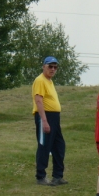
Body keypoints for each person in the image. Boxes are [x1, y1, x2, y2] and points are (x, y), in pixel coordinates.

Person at [32, 56, 68, 186]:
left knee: (59, 145)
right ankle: (40, 176)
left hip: (54, 117)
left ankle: (57, 176)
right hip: (45, 116)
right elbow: (38, 100)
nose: (53, 69)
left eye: (55, 67)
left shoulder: (49, 81)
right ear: (44, 66)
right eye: (50, 66)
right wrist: (44, 121)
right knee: (44, 146)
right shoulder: (40, 80)